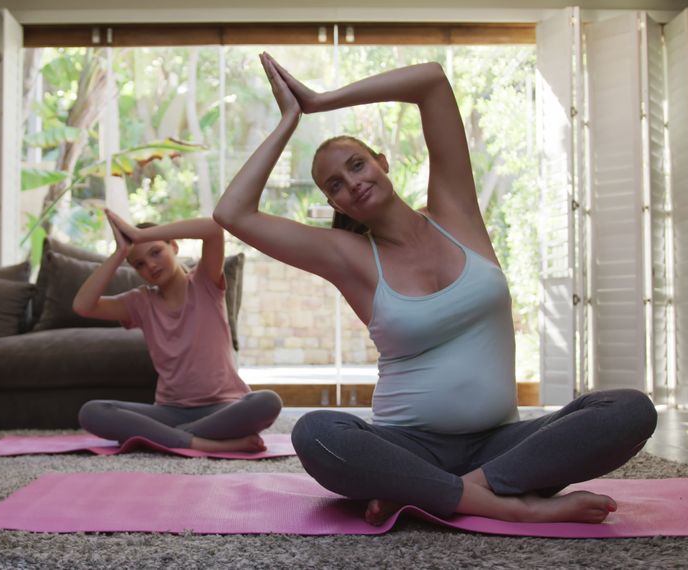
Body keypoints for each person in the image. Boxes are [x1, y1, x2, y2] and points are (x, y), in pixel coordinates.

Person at [213, 53, 657, 524]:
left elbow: (431, 82)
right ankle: (512, 505)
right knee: (317, 432)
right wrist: (289, 119)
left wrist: (321, 100)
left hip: (500, 445)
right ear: (333, 203)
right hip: (406, 446)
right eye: (336, 185)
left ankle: (448, 493)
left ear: (382, 162)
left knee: (629, 411)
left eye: (358, 165)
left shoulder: (456, 214)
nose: (353, 183)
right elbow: (233, 213)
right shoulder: (350, 258)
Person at [73, 210, 282, 453]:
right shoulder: (140, 303)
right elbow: (83, 306)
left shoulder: (205, 282)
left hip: (223, 408)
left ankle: (161, 439)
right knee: (92, 412)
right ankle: (203, 443)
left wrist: (140, 235)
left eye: (156, 252)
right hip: (169, 411)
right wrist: (120, 253)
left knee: (267, 402)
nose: (150, 265)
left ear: (174, 246)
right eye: (139, 264)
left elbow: (213, 230)